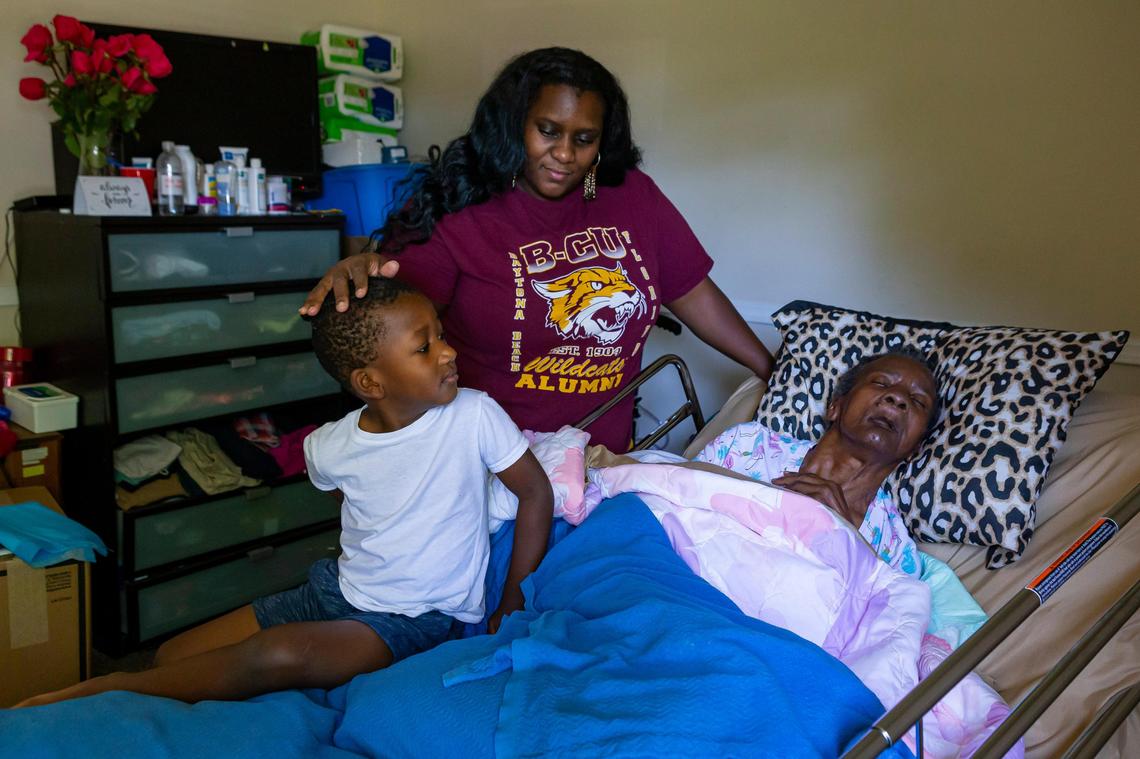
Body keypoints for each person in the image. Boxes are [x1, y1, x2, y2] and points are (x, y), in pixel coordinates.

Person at [18, 278, 554, 707]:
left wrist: (511, 599)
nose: (448, 352)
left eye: (439, 335)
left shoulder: (473, 415)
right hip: (331, 592)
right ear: (370, 383)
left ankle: (103, 689)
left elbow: (535, 495)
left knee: (278, 655)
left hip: (411, 618)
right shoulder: (329, 446)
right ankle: (138, 682)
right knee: (171, 654)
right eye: (425, 346)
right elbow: (352, 506)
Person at [301, 47, 774, 452]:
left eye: (584, 139)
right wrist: (364, 269)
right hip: (493, 463)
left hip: (600, 461)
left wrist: (774, 369)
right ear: (513, 126)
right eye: (548, 130)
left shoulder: (633, 196)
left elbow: (691, 290)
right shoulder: (460, 212)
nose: (566, 154)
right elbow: (389, 331)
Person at [695, 350, 940, 577]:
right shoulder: (745, 445)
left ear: (915, 448)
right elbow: (672, 501)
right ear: (836, 406)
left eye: (918, 401)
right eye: (881, 383)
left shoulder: (893, 549)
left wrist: (848, 541)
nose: (897, 398)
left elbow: (885, 615)